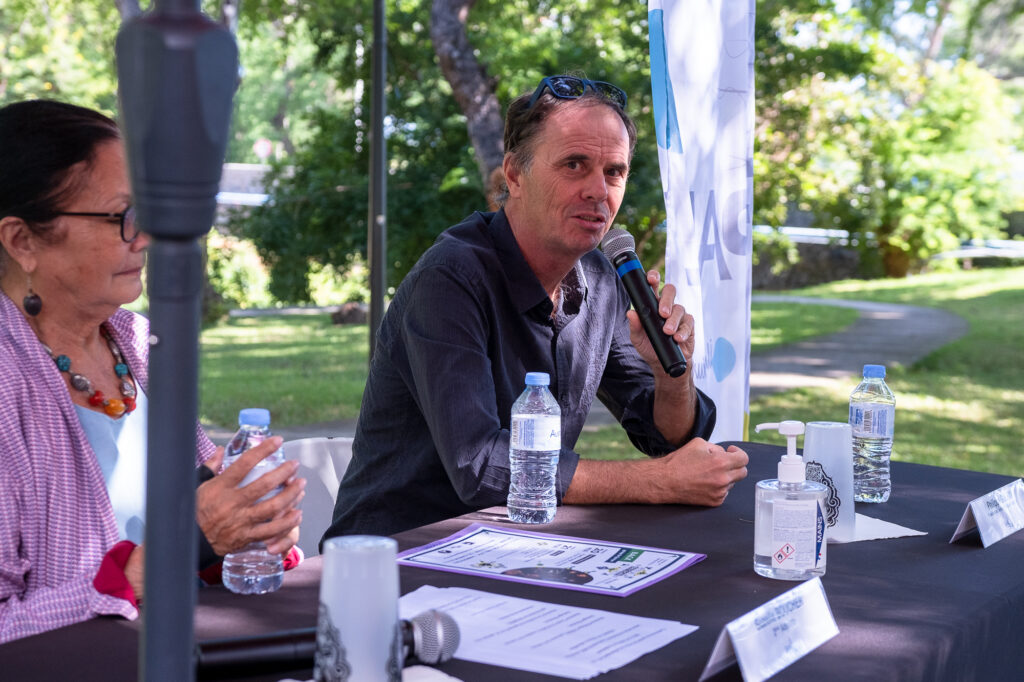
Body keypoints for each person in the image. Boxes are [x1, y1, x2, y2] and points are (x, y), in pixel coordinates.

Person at [325, 75, 749, 540]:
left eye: (614, 171)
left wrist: (674, 375)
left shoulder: (603, 278)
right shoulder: (449, 279)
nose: (598, 190)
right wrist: (658, 482)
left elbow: (663, 435)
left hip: (513, 545)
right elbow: (480, 464)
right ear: (514, 175)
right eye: (574, 164)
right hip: (396, 556)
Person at [0, 99, 306, 643]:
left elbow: (200, 524)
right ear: (22, 241)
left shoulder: (137, 342)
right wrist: (184, 544)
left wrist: (245, 527)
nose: (144, 237)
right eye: (122, 216)